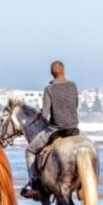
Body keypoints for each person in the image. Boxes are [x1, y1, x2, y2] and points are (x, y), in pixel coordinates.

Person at [21, 61, 79, 198]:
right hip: (74, 128)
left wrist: (42, 114)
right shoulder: (73, 85)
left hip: (56, 130)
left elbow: (45, 115)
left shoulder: (49, 89)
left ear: (52, 74)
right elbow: (75, 106)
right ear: (64, 72)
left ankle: (34, 186)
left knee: (29, 151)